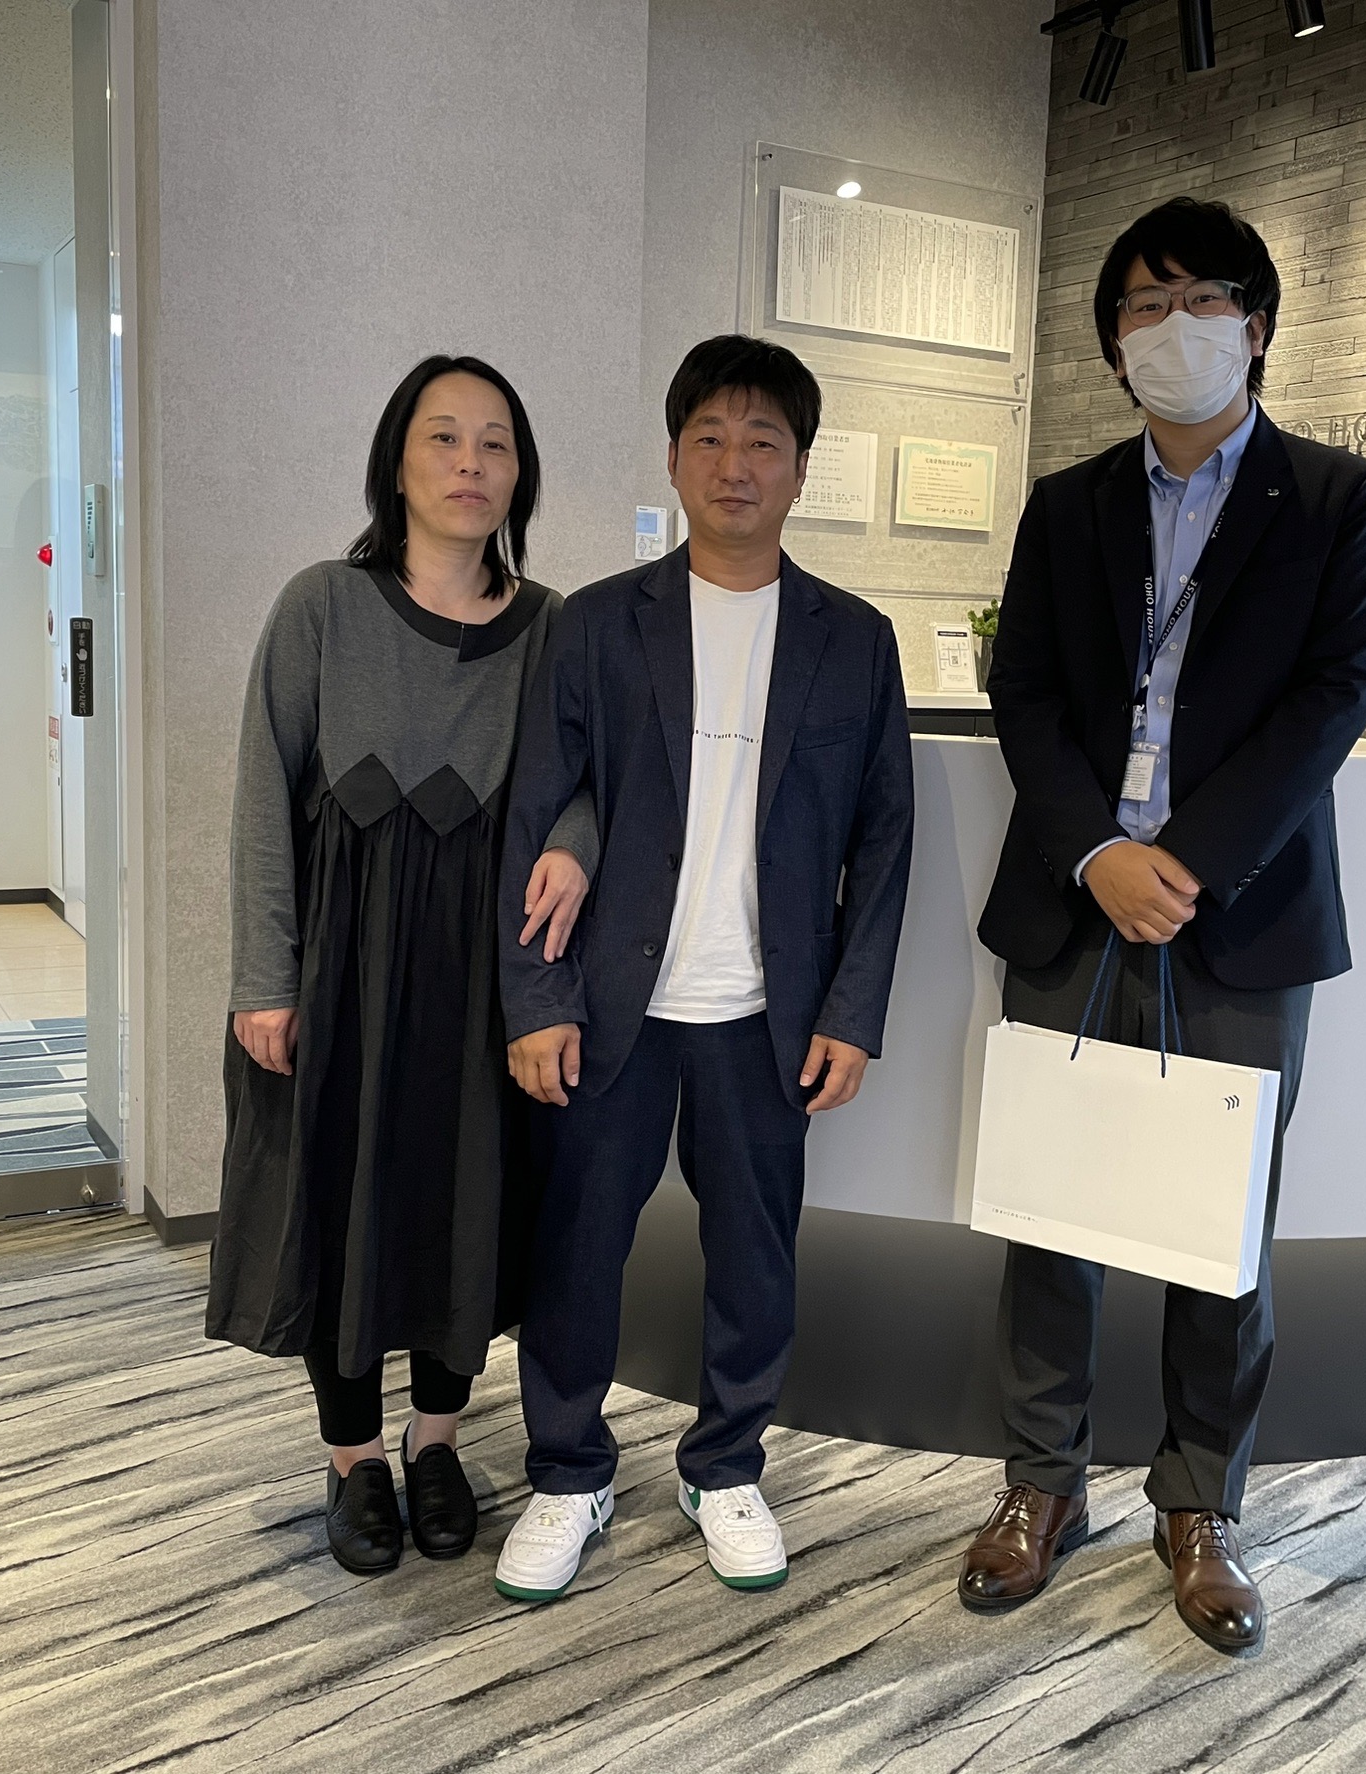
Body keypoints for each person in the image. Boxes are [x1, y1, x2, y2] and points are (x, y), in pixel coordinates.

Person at [958, 197, 1366, 1653]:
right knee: (1049, 1210)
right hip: (1072, 903)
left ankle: (1200, 1501)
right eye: (1142, 306)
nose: (1172, 326)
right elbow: (1023, 689)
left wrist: (1185, 860)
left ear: (1256, 325)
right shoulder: (1066, 502)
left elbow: (1331, 700)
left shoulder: (1336, 500)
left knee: (1221, 1228)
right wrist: (1096, 851)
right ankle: (1042, 1482)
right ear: (1113, 344)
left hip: (1240, 914)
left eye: (1201, 297)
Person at [489, 335, 914, 1603]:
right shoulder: (596, 624)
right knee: (577, 1251)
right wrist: (535, 1000)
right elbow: (537, 813)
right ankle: (569, 1470)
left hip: (765, 1013)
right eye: (711, 438)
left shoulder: (856, 639)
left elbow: (887, 840)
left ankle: (725, 1464)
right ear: (674, 458)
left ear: (801, 468)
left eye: (764, 441)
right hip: (612, 1005)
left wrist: (854, 1012)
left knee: (756, 1258)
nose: (737, 465)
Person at [207, 355, 598, 1579]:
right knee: (338, 1204)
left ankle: (437, 1441)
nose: (470, 464)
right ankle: (353, 1457)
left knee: (459, 1204)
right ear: (397, 460)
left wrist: (577, 845)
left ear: (521, 473)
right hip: (343, 969)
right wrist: (263, 978)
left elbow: (593, 779)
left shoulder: (553, 627)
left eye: (495, 442)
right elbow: (263, 799)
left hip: (482, 979)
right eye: (444, 437)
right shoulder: (321, 605)